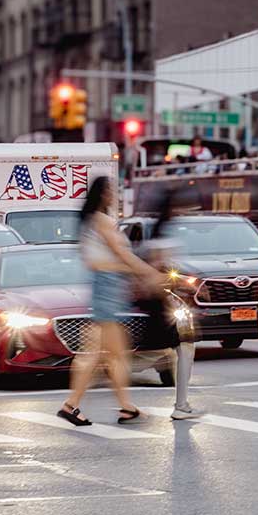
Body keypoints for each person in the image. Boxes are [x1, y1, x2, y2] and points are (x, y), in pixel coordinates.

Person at [58, 176, 161, 426]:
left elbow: (92, 260)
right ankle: (71, 405)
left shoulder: (88, 222)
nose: (114, 195)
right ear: (103, 194)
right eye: (111, 191)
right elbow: (122, 253)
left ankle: (125, 407)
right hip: (108, 287)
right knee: (101, 355)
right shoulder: (102, 221)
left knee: (112, 354)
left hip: (104, 286)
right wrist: (148, 273)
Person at [135, 191, 202, 420]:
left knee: (175, 348)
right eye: (180, 207)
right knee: (184, 347)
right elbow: (156, 273)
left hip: (155, 304)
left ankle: (181, 404)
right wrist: (184, 283)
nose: (183, 212)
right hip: (158, 305)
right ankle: (181, 405)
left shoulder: (158, 231)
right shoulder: (163, 236)